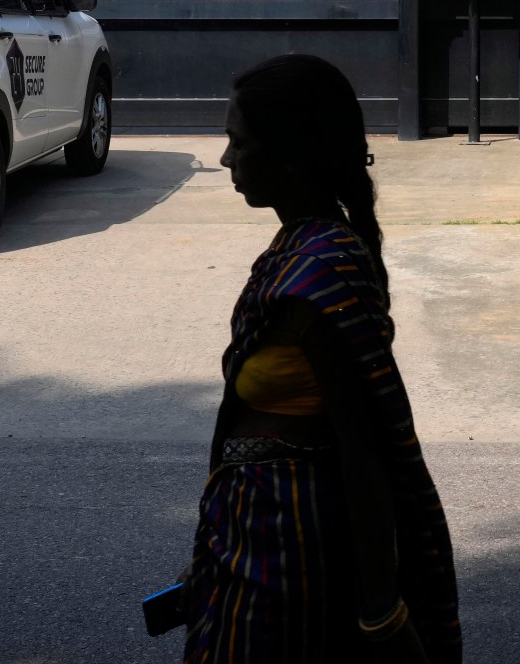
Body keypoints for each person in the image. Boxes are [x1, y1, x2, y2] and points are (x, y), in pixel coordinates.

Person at [182, 55, 460, 662]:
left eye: (239, 142)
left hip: (289, 544)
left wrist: (381, 609)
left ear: (288, 153)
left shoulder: (323, 269)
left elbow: (364, 450)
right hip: (250, 528)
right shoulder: (300, 246)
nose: (226, 160)